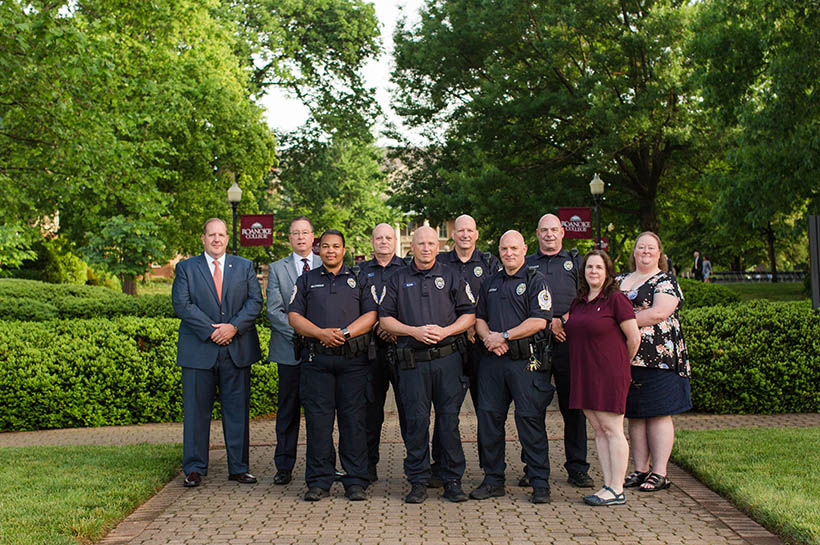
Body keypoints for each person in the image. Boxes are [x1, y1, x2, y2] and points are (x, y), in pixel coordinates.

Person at [380, 226, 476, 504]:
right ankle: (418, 481)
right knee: (416, 423)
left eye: (431, 243)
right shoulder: (398, 278)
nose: (426, 248)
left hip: (448, 360)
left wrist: (446, 332)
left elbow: (469, 314)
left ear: (438, 246)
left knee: (448, 423)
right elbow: (385, 320)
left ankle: (451, 480)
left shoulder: (452, 275)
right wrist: (413, 331)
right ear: (412, 246)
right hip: (412, 363)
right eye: (420, 243)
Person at [172, 218, 263, 488]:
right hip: (200, 351)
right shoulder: (186, 268)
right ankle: (195, 468)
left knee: (237, 412)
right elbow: (182, 304)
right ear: (203, 239)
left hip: (236, 350)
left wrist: (233, 328)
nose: (216, 240)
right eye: (211, 235)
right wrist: (213, 331)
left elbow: (255, 302)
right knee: (196, 412)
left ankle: (238, 467)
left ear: (227, 238)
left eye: (221, 235)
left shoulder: (244, 267)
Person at [288, 229, 378, 501]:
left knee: (354, 422)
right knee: (319, 423)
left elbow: (372, 314)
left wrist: (345, 333)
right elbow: (294, 316)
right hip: (317, 361)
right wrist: (321, 334)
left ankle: (356, 481)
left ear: (343, 249)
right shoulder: (306, 280)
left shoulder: (359, 279)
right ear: (318, 249)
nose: (330, 251)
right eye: (325, 246)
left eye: (335, 246)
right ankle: (319, 481)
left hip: (353, 361)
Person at [471, 230, 554, 504]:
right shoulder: (490, 282)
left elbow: (539, 321)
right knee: (489, 421)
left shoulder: (535, 280)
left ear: (524, 249)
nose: (509, 253)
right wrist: (488, 339)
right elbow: (479, 318)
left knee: (529, 420)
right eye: (504, 249)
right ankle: (493, 480)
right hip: (493, 362)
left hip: (525, 362)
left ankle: (540, 482)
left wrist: (504, 336)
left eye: (514, 248)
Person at [617, 232, 692, 492]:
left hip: (660, 359)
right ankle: (640, 470)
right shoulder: (620, 280)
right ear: (634, 252)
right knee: (636, 415)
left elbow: (659, 312)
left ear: (659, 253)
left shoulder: (665, 281)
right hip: (627, 358)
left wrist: (622, 320)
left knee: (659, 414)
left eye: (651, 248)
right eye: (641, 247)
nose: (645, 252)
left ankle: (660, 473)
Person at [523, 213, 593, 489]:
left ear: (563, 232)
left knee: (573, 409)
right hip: (535, 346)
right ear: (537, 234)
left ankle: (577, 467)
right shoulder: (527, 266)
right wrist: (545, 322)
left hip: (568, 343)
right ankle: (534, 467)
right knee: (532, 409)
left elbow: (587, 299)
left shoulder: (576, 264)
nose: (549, 235)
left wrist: (561, 320)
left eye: (554, 230)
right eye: (544, 230)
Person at [565, 250, 640, 506]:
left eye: (598, 267)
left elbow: (634, 338)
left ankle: (617, 488)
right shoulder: (579, 302)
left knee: (613, 429)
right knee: (598, 429)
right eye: (589, 267)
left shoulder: (616, 300)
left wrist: (619, 366)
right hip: (584, 372)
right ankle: (607, 484)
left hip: (609, 374)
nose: (593, 271)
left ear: (607, 272)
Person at [434, 214, 500, 485]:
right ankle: (440, 467)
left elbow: (497, 300)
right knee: (445, 410)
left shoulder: (489, 263)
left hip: (482, 347)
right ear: (453, 234)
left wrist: (478, 326)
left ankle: (491, 470)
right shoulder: (439, 263)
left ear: (476, 234)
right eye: (459, 230)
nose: (464, 235)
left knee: (487, 410)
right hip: (450, 346)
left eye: (469, 230)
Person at [265, 216, 320, 486]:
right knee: (287, 411)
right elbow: (274, 311)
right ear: (290, 238)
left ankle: (322, 464)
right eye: (295, 233)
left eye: (305, 232)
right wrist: (301, 333)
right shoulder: (277, 269)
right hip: (289, 350)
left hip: (322, 352)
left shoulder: (327, 263)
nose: (300, 237)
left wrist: (319, 336)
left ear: (313, 237)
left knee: (320, 410)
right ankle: (284, 465)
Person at [358, 223, 408, 482]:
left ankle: (415, 467)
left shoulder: (407, 269)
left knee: (409, 408)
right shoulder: (360, 271)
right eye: (379, 238)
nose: (384, 242)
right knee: (370, 410)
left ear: (395, 240)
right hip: (370, 349)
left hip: (402, 348)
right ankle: (368, 466)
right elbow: (356, 306)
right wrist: (377, 324)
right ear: (372, 241)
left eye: (389, 238)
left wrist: (395, 328)